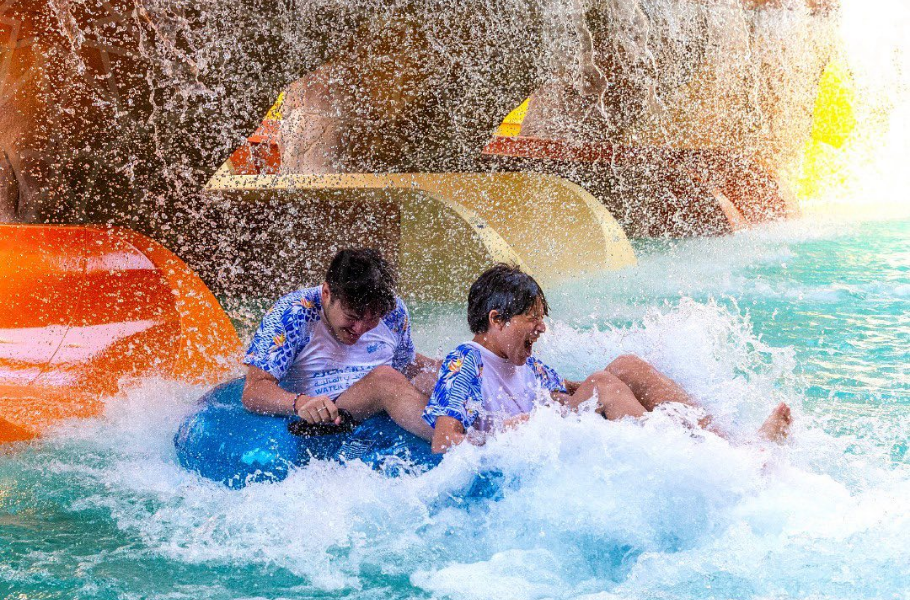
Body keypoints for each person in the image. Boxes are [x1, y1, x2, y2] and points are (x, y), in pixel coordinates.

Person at [423, 264, 792, 453]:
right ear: (497, 319)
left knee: (625, 366)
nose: (541, 327)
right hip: (522, 453)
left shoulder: (527, 363)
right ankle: (696, 460)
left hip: (551, 438)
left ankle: (732, 445)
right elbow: (444, 442)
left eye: (541, 317)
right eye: (531, 318)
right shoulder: (465, 361)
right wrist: (506, 431)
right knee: (601, 384)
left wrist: (633, 382)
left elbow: (567, 392)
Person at [242, 248, 439, 439]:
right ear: (326, 293)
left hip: (381, 409)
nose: (359, 329)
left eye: (372, 320)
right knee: (385, 380)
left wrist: (444, 370)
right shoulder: (292, 313)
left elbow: (405, 364)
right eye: (351, 317)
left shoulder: (393, 312)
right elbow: (253, 390)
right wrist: (300, 402)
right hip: (331, 416)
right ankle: (451, 442)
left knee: (442, 374)